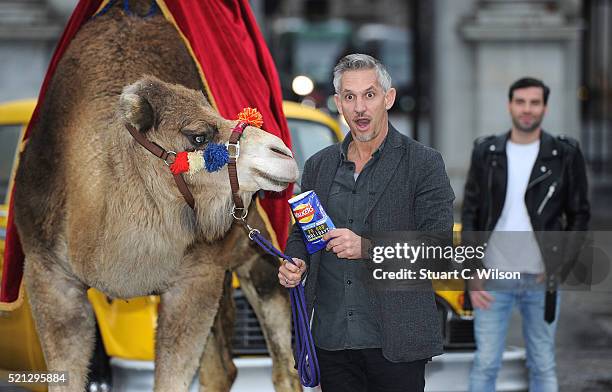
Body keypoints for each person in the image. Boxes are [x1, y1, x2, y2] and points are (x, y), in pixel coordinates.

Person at [278, 53, 455, 392]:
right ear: (338, 104)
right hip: (331, 341)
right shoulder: (319, 165)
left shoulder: (423, 163)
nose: (360, 107)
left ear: (388, 99)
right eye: (350, 96)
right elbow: (303, 231)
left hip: (396, 341)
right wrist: (296, 260)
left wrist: (366, 247)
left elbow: (439, 249)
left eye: (369, 95)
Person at [462, 77, 590, 392]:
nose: (527, 109)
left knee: (543, 363)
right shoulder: (486, 152)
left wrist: (559, 265)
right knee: (486, 363)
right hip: (493, 276)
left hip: (539, 277)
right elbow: (471, 213)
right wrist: (471, 271)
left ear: (545, 107)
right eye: (520, 102)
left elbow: (579, 214)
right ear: (510, 105)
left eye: (534, 102)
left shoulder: (563, 154)